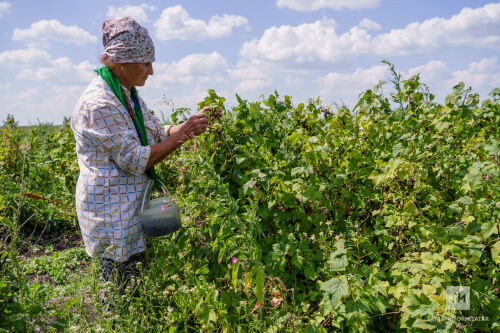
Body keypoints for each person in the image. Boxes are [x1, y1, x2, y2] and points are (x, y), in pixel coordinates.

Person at [71, 16, 209, 293]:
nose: (151, 71)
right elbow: (136, 161)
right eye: (146, 63)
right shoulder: (100, 103)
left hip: (129, 206)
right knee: (119, 285)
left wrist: (187, 127)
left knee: (135, 277)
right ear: (123, 61)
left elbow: (156, 131)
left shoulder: (126, 94)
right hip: (111, 210)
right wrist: (183, 135)